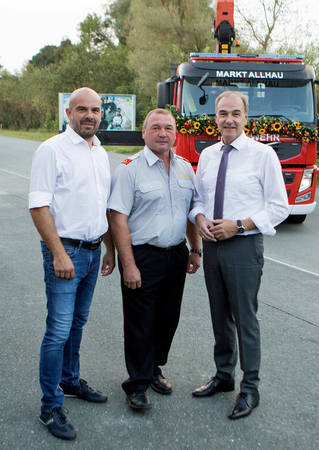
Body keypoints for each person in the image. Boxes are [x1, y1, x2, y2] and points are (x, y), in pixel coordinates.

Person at [189, 91, 289, 420]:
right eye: (223, 113)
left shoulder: (263, 155)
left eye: (235, 113)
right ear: (215, 118)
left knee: (245, 318)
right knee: (219, 315)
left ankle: (250, 388)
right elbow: (199, 200)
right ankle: (223, 376)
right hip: (212, 245)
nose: (228, 119)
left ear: (246, 118)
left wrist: (240, 226)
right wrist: (199, 218)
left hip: (243, 246)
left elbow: (279, 208)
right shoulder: (208, 156)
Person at [29, 87, 116, 441]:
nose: (89, 115)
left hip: (93, 251)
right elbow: (38, 206)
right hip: (65, 252)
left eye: (95, 109)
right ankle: (50, 405)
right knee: (58, 330)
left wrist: (109, 248)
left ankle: (69, 379)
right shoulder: (52, 150)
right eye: (82, 109)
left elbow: (101, 206)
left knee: (78, 322)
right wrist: (58, 253)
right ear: (68, 113)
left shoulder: (100, 152)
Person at [108, 108, 202, 411]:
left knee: (168, 318)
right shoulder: (129, 169)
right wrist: (128, 264)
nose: (163, 133)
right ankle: (136, 383)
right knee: (140, 322)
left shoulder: (186, 168)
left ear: (176, 133)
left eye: (168, 128)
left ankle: (153, 369)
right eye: (156, 127)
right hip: (142, 256)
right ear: (144, 132)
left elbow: (190, 212)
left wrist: (195, 248)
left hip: (176, 255)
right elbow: (117, 218)